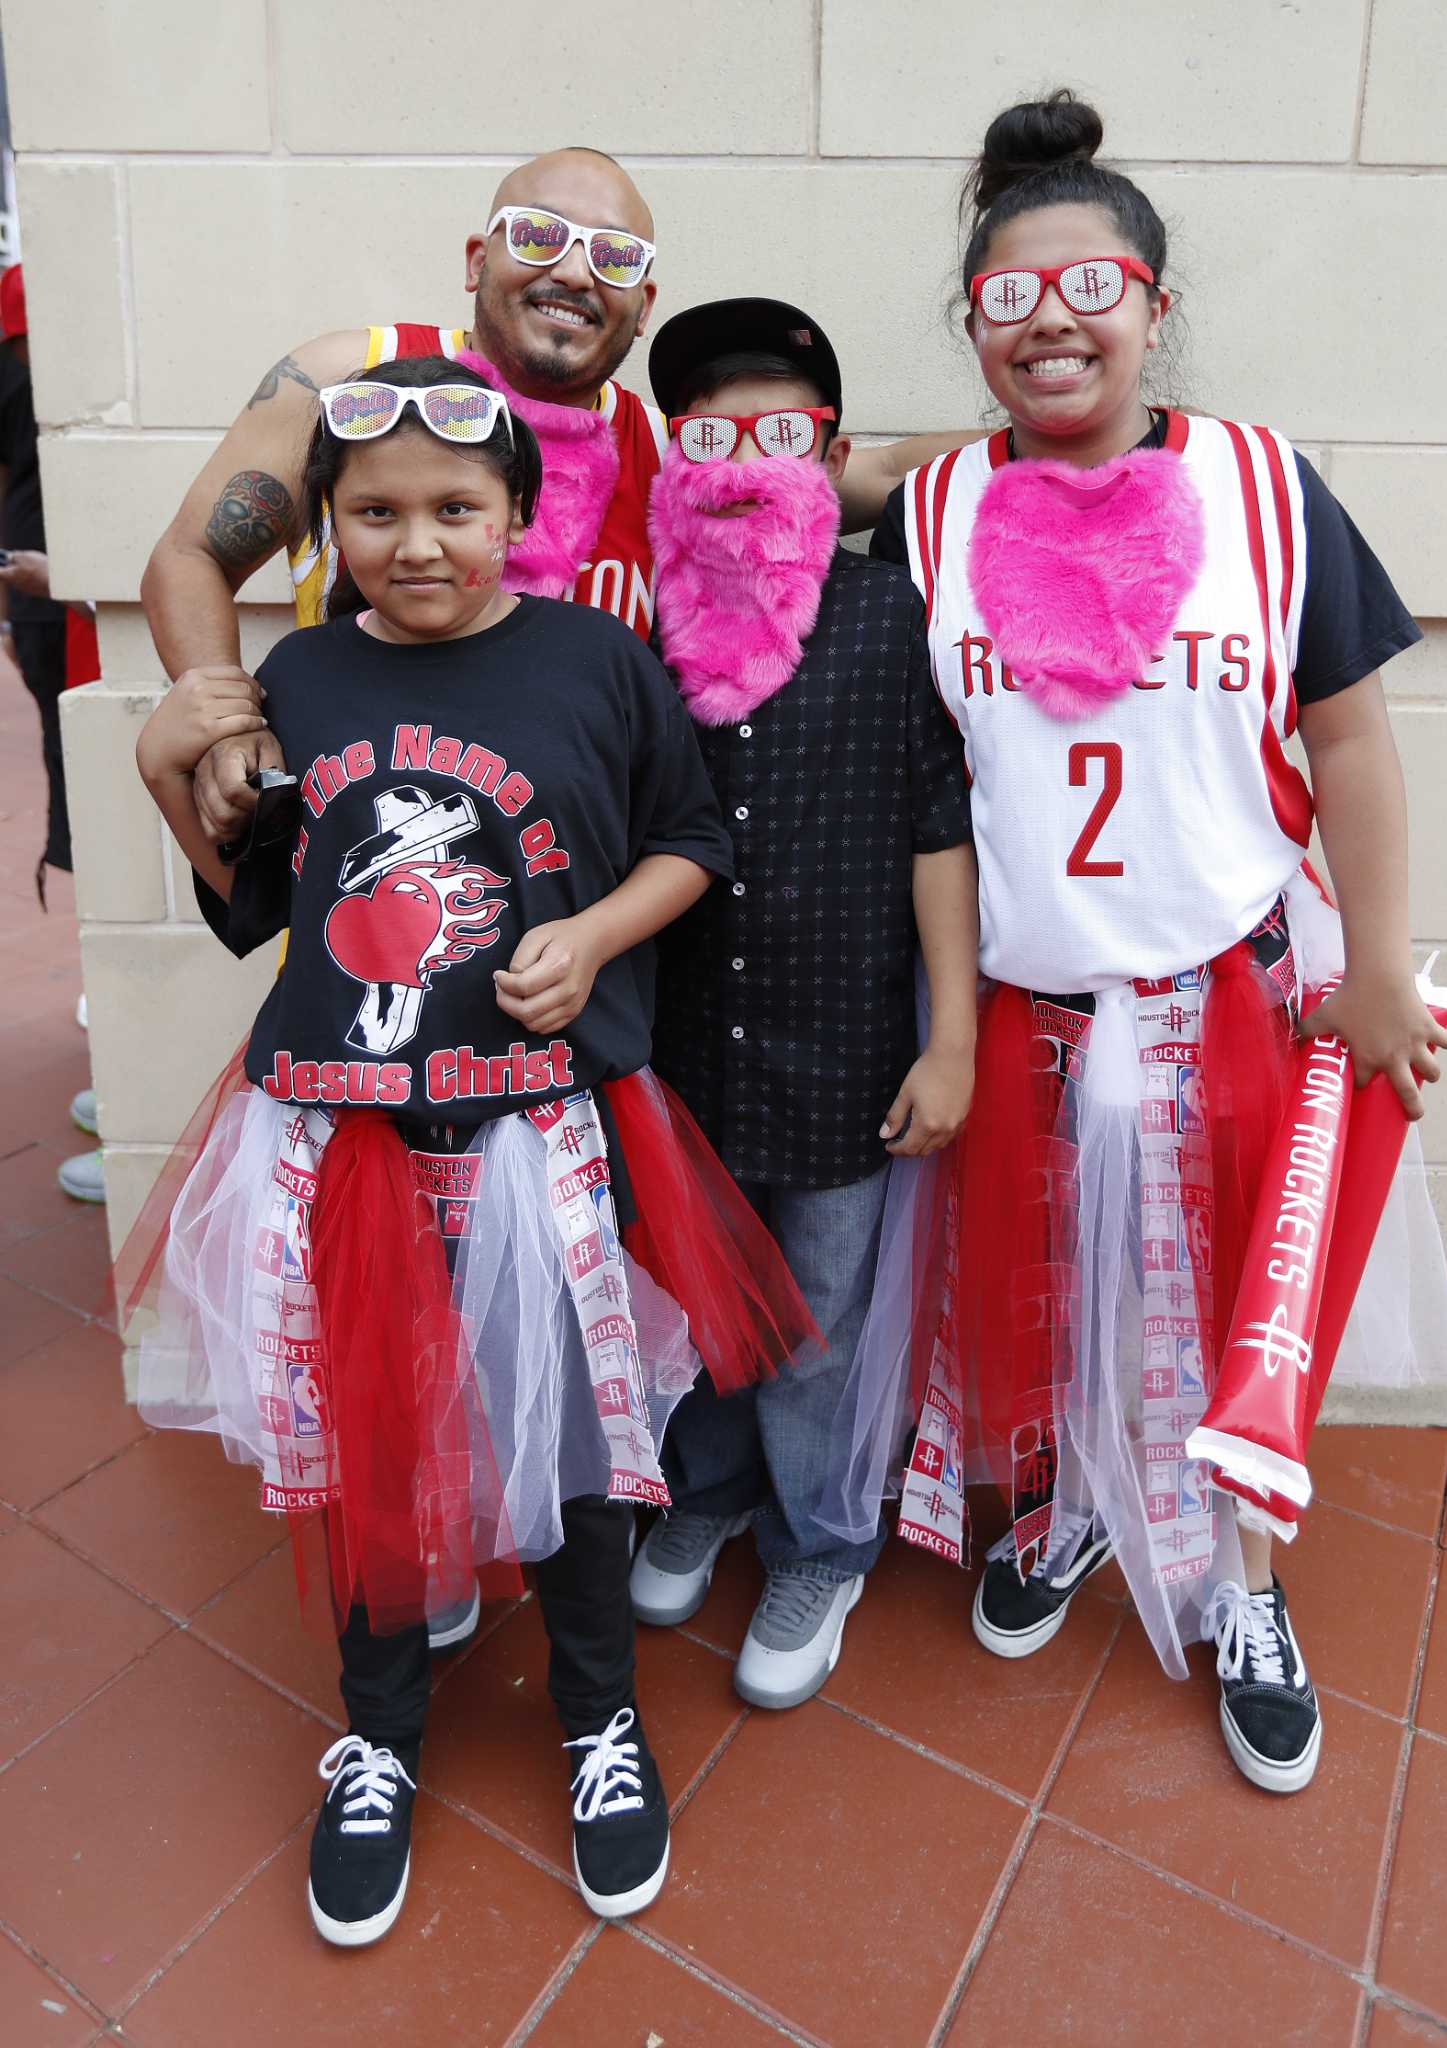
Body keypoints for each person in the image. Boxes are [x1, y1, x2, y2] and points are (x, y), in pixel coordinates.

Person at [130, 356, 814, 1943]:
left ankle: (597, 1717)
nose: (416, 541)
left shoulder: (593, 658)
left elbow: (693, 842)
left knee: (565, 1438)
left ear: (519, 513)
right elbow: (254, 909)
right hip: (339, 1131)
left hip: (534, 1132)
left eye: (456, 508)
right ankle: (376, 1731)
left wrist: (590, 935)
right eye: (375, 512)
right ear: (329, 525)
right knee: (371, 1437)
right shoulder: (295, 677)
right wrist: (172, 770)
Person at [872, 91, 1447, 1795]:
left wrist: (1381, 961)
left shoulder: (1265, 487)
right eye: (1007, 297)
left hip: (1226, 988)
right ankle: (1068, 1508)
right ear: (974, 325)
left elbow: (1349, 741)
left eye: (1093, 284)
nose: (1050, 320)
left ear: (1156, 301)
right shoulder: (929, 516)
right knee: (1045, 1291)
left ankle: (1241, 1582)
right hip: (1024, 997)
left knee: (1223, 1308)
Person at [141, 148, 975, 847]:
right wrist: (225, 722)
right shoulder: (352, 382)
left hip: (578, 920)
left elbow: (877, 470)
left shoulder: (666, 448)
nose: (574, 270)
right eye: (540, 236)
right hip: (376, 865)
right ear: (477, 258)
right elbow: (190, 556)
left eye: (614, 256)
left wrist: (1064, 436)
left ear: (642, 306)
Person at [624, 300, 979, 1705]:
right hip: (684, 1043)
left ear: (827, 454)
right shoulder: (644, 622)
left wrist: (949, 1036)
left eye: (782, 431)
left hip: (843, 1041)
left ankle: (821, 1539)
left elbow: (935, 827)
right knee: (697, 1292)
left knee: (820, 1312)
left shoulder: (889, 610)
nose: (745, 457)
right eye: (712, 431)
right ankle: (701, 1488)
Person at [0, 262, 106, 1200]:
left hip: (89, 608)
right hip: (55, 611)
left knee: (125, 844)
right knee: (98, 838)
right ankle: (124, 1075)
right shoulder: (24, 296)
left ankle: (131, 1080)